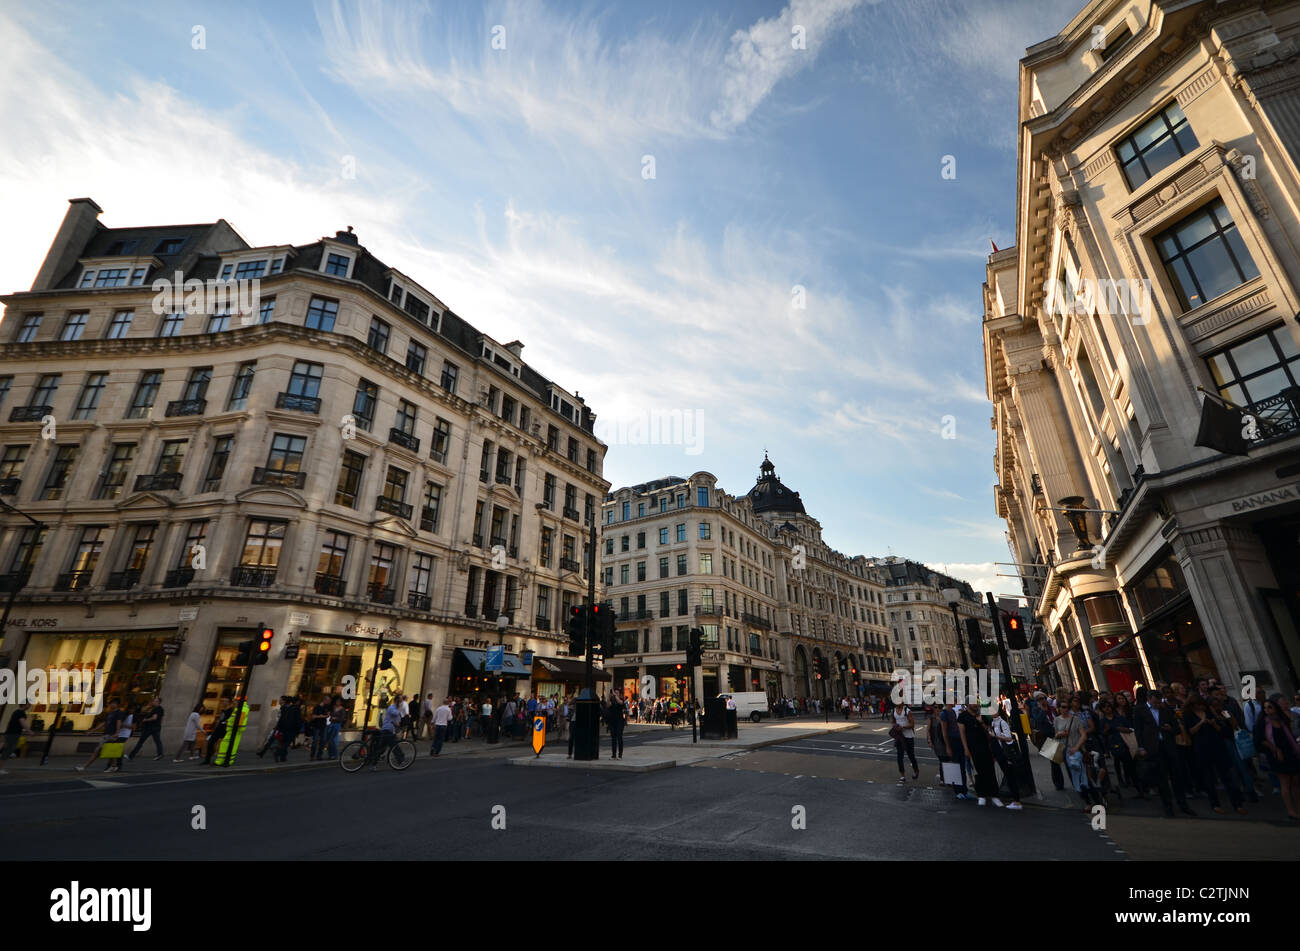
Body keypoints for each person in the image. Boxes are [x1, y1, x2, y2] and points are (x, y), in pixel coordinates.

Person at [1133, 686, 1194, 818]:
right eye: (1154, 702)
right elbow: (1138, 730)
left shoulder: (1165, 710)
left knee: (1177, 777)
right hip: (1154, 748)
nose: (1157, 704)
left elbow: (1177, 729)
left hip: (1169, 746)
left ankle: (1183, 805)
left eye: (1158, 702)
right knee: (1161, 780)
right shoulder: (1139, 710)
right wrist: (1141, 747)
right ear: (1148, 699)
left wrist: (1170, 729)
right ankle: (1168, 807)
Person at [1185, 695, 1246, 815]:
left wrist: (1213, 723)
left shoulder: (1209, 712)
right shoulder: (1188, 715)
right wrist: (1201, 723)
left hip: (1217, 746)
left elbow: (1221, 729)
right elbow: (1190, 732)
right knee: (1208, 778)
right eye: (1198, 705)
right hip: (1202, 748)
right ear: (1193, 706)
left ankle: (1237, 804)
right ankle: (1215, 804)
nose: (1201, 707)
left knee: (1227, 776)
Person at [1253, 695, 1300, 820]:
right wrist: (1275, 749)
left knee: (1296, 782)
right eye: (1265, 708)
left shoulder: (1282, 720)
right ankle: (1291, 811)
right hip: (1276, 755)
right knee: (1285, 783)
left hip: (1290, 752)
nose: (1268, 710)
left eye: (1270, 707)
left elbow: (1289, 736)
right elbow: (1259, 740)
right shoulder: (1263, 723)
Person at [958, 701, 1001, 807]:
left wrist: (981, 722)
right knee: (978, 771)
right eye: (974, 703)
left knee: (990, 770)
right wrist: (966, 748)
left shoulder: (982, 714)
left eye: (976, 703)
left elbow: (989, 730)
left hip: (986, 746)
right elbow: (962, 733)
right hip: (973, 748)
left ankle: (994, 795)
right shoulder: (962, 716)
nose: (976, 705)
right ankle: (982, 795)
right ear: (968, 704)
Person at [989, 706, 1024, 809]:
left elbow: (1009, 738)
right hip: (1000, 753)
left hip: (1007, 753)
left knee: (1010, 776)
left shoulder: (1002, 722)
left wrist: (995, 736)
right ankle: (1015, 800)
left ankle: (1017, 802)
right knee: (1008, 776)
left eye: (993, 709)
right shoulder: (993, 722)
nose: (991, 712)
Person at [75, 699, 123, 772]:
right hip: (106, 734)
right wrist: (92, 731)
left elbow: (119, 722)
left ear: (117, 704)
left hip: (110, 735)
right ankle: (114, 766)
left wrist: (117, 733)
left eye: (113, 703)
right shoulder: (110, 713)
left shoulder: (118, 713)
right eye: (110, 703)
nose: (111, 705)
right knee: (108, 751)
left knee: (97, 751)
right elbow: (103, 723)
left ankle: (84, 767)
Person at [938, 702, 968, 799]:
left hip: (958, 740)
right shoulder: (944, 713)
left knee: (962, 766)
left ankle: (964, 790)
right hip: (952, 741)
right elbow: (944, 731)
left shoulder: (953, 712)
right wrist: (948, 746)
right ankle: (958, 791)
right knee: (956, 766)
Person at [891, 702, 918, 783]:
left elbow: (912, 724)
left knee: (911, 756)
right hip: (899, 737)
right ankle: (902, 776)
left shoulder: (907, 711)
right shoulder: (893, 711)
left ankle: (916, 770)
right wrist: (895, 726)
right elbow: (893, 721)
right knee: (899, 757)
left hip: (908, 736)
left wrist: (903, 727)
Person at [202, 699, 233, 766]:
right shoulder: (223, 710)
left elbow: (229, 720)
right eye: (223, 701)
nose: (223, 702)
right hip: (218, 729)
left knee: (223, 745)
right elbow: (220, 719)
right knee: (210, 742)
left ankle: (222, 760)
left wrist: (224, 723)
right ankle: (207, 759)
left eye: (225, 701)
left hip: (224, 729)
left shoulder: (231, 711)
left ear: (229, 702)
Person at [273, 697, 303, 763]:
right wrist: (298, 729)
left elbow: (282, 718)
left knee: (284, 742)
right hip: (292, 728)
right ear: (297, 702)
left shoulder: (288, 707)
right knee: (287, 743)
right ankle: (277, 753)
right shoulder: (297, 709)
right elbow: (298, 720)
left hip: (284, 728)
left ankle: (283, 758)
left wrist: (279, 727)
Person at [309, 695, 331, 760]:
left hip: (324, 726)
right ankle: (312, 756)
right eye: (328, 700)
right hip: (317, 726)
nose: (329, 702)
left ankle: (319, 756)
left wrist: (327, 715)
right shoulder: (317, 707)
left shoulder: (326, 707)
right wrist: (321, 716)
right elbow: (313, 716)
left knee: (323, 741)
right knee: (315, 741)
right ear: (324, 700)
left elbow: (327, 715)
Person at [606, 690, 627, 759]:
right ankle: (613, 755)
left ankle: (620, 755)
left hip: (620, 721)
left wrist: (615, 696)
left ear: (619, 694)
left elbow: (620, 703)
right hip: (612, 721)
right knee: (613, 738)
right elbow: (608, 705)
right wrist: (609, 697)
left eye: (617, 692)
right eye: (614, 692)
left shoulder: (621, 699)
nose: (615, 694)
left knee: (619, 737)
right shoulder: (612, 701)